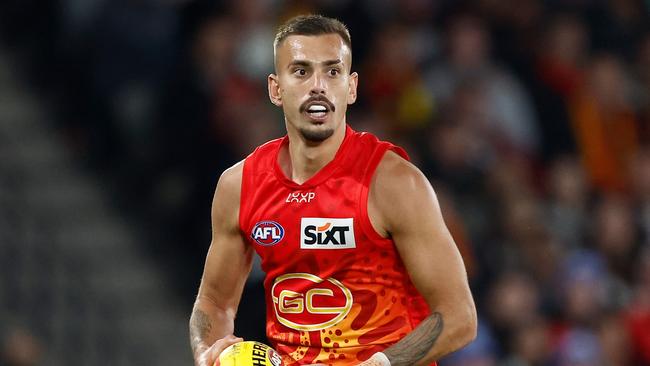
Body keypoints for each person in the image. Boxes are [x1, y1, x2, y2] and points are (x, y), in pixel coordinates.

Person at [189, 15, 477, 366]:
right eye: (300, 71)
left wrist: (380, 364)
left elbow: (459, 316)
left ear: (351, 87)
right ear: (275, 89)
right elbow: (214, 303)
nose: (318, 86)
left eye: (332, 71)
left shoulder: (395, 183)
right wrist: (207, 352)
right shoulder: (239, 185)